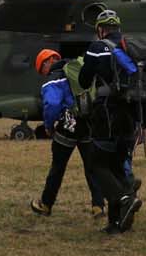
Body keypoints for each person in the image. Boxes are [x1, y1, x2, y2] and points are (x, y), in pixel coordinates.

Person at [79, 9, 146, 234]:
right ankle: (116, 223)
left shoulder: (97, 48)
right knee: (117, 166)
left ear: (100, 29)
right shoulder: (131, 49)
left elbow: (84, 80)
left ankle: (125, 198)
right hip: (131, 116)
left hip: (107, 114)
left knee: (96, 164)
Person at [30, 48, 104, 218]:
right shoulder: (75, 69)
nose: (43, 73)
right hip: (88, 123)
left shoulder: (52, 80)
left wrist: (49, 125)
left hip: (68, 126)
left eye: (42, 69)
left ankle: (46, 204)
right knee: (91, 167)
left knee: (58, 167)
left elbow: (52, 104)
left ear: (47, 62)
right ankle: (98, 205)